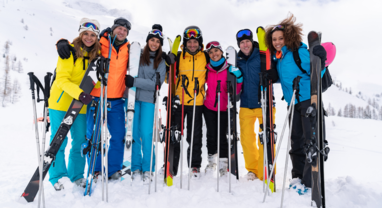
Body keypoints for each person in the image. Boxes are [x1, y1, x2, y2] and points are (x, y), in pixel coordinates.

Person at [264, 14, 327, 193]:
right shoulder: (280, 58)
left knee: (310, 142)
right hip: (293, 103)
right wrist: (274, 77)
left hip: (308, 101)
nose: (277, 42)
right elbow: (287, 76)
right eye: (274, 39)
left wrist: (321, 62)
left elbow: (317, 72)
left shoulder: (299, 53)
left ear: (289, 36)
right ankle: (297, 177)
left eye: (280, 38)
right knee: (296, 142)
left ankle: (308, 182)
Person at [48, 17, 101, 190]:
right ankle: (57, 177)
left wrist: (101, 78)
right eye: (85, 33)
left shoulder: (96, 57)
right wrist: (80, 94)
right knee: (59, 141)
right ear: (80, 34)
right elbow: (62, 79)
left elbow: (94, 83)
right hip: (61, 102)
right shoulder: (68, 51)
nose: (89, 37)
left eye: (93, 35)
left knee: (79, 141)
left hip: (80, 105)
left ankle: (76, 175)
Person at [236, 28, 276, 181]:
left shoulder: (263, 55)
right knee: (247, 140)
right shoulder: (237, 60)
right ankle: (252, 170)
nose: (245, 45)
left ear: (252, 42)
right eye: (242, 43)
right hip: (245, 104)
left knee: (266, 138)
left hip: (264, 103)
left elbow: (277, 71)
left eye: (247, 41)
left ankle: (265, 168)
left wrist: (273, 74)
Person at [128, 24, 166, 184]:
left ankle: (148, 168)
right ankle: (135, 166)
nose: (154, 43)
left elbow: (156, 84)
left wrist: (134, 81)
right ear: (148, 41)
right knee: (133, 134)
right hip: (131, 100)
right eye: (152, 40)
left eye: (158, 41)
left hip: (148, 101)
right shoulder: (136, 56)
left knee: (147, 135)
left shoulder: (161, 61)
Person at [172, 26, 208, 178]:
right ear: (185, 43)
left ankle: (194, 166)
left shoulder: (205, 56)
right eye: (189, 42)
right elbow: (170, 78)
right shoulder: (179, 57)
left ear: (199, 42)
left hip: (197, 102)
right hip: (179, 102)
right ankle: (170, 166)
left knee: (195, 135)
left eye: (195, 42)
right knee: (174, 134)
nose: (192, 45)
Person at [203, 41, 242, 175]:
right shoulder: (206, 69)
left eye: (216, 51)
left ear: (221, 51)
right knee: (211, 135)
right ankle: (211, 162)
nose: (214, 54)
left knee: (223, 136)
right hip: (209, 107)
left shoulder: (229, 68)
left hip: (225, 107)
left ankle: (223, 164)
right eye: (211, 52)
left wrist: (239, 78)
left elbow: (236, 90)